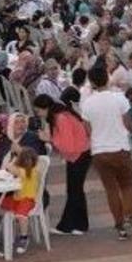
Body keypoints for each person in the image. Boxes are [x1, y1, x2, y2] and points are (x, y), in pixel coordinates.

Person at [82, 63, 132, 240]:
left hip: (99, 151)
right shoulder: (119, 98)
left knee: (111, 190)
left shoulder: (87, 103)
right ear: (107, 77)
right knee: (127, 185)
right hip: (120, 147)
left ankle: (120, 225)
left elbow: (88, 130)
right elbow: (128, 124)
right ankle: (128, 215)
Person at [33, 92, 91, 235]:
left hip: (79, 154)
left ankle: (67, 225)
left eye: (39, 111)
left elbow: (67, 145)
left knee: (74, 191)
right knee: (76, 190)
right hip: (81, 153)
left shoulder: (61, 118)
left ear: (45, 108)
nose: (39, 114)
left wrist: (49, 139)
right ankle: (80, 224)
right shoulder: (61, 115)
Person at [1, 146, 41, 255]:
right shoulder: (24, 171)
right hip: (17, 198)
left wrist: (14, 158)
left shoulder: (28, 172)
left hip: (28, 199)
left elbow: (9, 167)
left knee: (21, 215)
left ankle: (24, 237)